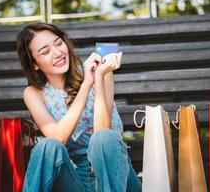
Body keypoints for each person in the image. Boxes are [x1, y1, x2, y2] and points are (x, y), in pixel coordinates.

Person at [16, 22, 142, 192]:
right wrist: (85, 85)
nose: (58, 53)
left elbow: (103, 132)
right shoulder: (33, 93)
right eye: (45, 52)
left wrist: (98, 77)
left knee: (104, 137)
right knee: (47, 146)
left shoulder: (99, 69)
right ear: (34, 64)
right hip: (73, 177)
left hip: (114, 174)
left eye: (59, 43)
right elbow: (58, 137)